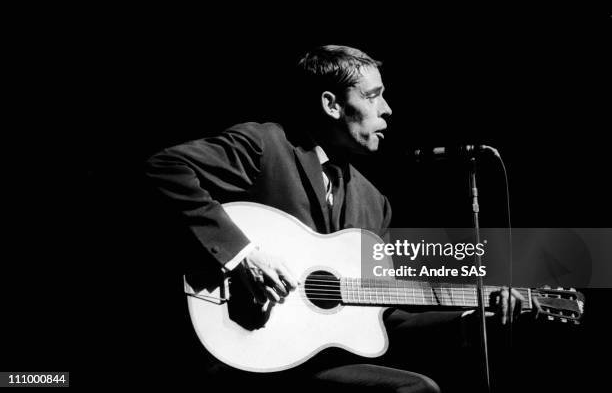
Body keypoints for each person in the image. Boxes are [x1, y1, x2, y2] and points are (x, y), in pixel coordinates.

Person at [145, 45, 524, 392]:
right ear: (331, 104)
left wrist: (475, 315)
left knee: (416, 389)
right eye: (373, 96)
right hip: (236, 348)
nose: (387, 109)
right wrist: (242, 255)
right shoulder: (267, 145)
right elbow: (165, 168)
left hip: (311, 365)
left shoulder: (373, 203)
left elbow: (384, 314)